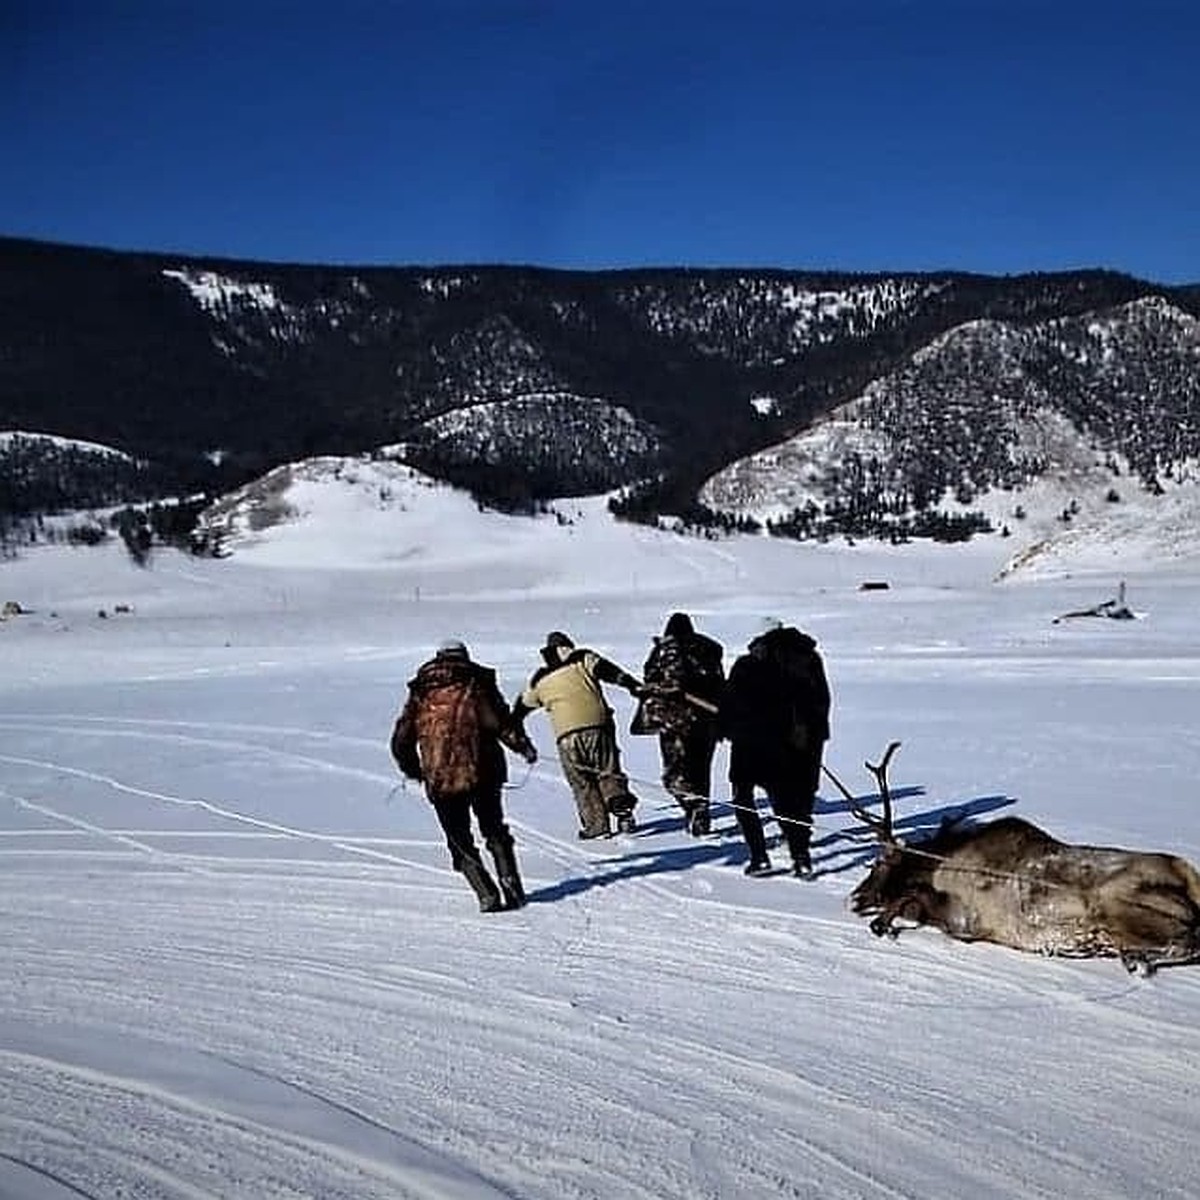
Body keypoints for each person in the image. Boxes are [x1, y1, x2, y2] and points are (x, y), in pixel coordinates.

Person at [390, 639, 538, 912]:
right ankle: (511, 886)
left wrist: (414, 769)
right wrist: (523, 746)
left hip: (440, 778)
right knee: (494, 828)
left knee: (458, 837)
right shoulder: (475, 683)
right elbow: (499, 722)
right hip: (483, 770)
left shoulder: (421, 692)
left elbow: (401, 738)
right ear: (464, 657)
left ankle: (485, 893)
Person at [719, 617, 831, 878]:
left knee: (743, 797)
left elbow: (730, 703)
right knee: (787, 802)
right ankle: (801, 857)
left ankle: (759, 857)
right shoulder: (808, 658)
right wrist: (809, 735)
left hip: (750, 744)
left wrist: (724, 727)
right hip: (794, 745)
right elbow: (820, 699)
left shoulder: (748, 664)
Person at [513, 630, 641, 839]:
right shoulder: (583, 658)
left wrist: (512, 724)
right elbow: (607, 670)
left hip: (566, 735)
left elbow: (523, 705)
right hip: (598, 725)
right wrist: (629, 683)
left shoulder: (541, 677)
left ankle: (596, 826)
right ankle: (622, 809)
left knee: (581, 781)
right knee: (608, 770)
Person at [631, 611, 725, 836]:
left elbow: (651, 677)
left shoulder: (665, 649)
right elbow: (720, 682)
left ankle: (692, 805)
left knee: (674, 771)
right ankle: (700, 808)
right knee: (701, 767)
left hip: (676, 720)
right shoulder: (709, 649)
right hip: (708, 718)